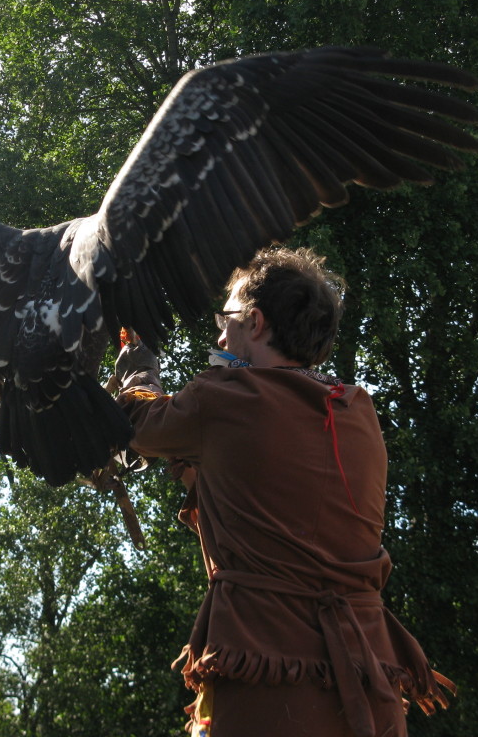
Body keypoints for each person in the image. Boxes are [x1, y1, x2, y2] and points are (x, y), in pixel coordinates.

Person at [114, 247, 454, 737]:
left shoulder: (224, 398)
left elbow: (136, 424)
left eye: (226, 319)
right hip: (368, 682)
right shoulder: (358, 409)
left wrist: (138, 370)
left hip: (271, 679)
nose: (219, 336)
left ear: (254, 322)